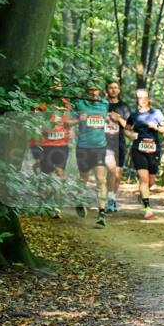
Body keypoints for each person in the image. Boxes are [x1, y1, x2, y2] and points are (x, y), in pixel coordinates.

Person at [67, 83, 110, 227]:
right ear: (86, 92)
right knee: (83, 179)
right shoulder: (79, 104)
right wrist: (79, 119)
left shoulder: (105, 104)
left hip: (99, 147)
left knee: (100, 179)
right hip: (83, 147)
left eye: (95, 89)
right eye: (90, 89)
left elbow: (112, 118)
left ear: (99, 91)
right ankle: (79, 200)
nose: (93, 92)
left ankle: (102, 213)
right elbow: (67, 122)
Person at [124, 88, 164, 220]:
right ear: (136, 99)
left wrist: (155, 127)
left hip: (154, 150)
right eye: (139, 97)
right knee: (142, 178)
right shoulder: (134, 115)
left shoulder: (156, 113)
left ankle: (144, 194)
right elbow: (126, 129)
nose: (142, 100)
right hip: (138, 149)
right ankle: (147, 208)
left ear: (148, 99)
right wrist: (131, 135)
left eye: (144, 97)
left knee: (151, 181)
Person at [105, 81, 132, 213]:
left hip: (119, 142)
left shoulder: (124, 107)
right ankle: (109, 199)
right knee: (111, 170)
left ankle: (113, 198)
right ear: (107, 90)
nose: (113, 90)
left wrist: (118, 118)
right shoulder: (102, 104)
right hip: (104, 142)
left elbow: (128, 126)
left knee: (117, 174)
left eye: (116, 88)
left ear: (119, 90)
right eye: (111, 88)